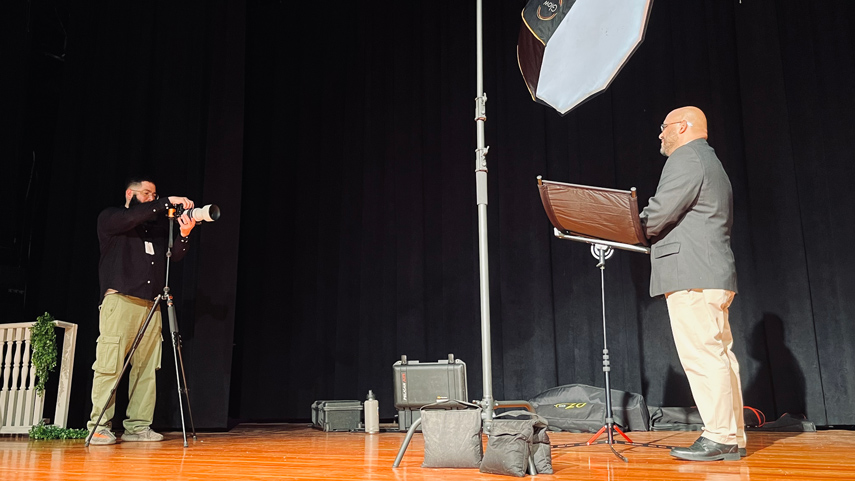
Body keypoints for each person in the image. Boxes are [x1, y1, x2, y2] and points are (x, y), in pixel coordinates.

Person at [640, 107, 746, 461]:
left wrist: (624, 225)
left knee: (703, 357)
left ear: (682, 127)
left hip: (694, 275)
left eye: (664, 127)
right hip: (710, 273)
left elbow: (659, 212)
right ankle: (732, 435)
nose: (660, 134)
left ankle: (719, 436)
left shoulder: (686, 158)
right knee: (719, 356)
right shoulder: (708, 160)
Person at [87, 178, 197, 445]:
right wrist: (165, 202)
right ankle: (100, 426)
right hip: (120, 302)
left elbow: (174, 256)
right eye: (146, 193)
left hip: (151, 305)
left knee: (146, 369)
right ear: (130, 193)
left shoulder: (154, 230)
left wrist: (184, 234)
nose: (151, 198)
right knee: (110, 365)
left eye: (154, 194)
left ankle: (138, 426)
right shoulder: (112, 218)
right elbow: (132, 217)